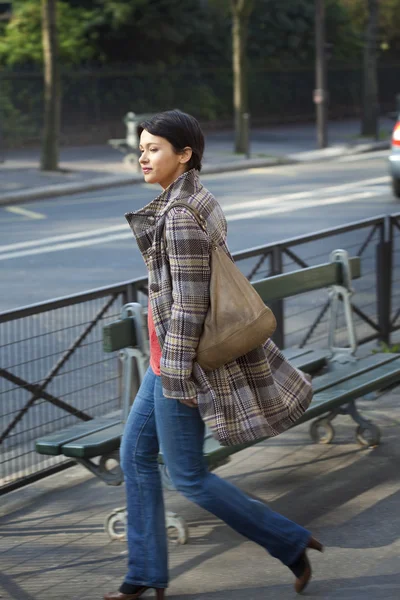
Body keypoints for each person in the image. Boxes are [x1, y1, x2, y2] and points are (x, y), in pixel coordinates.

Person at [104, 110, 323, 600]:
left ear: (185, 154)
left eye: (154, 148)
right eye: (140, 148)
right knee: (135, 457)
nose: (143, 156)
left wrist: (177, 377)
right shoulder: (193, 198)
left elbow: (190, 305)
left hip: (176, 367)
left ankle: (289, 541)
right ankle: (144, 576)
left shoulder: (179, 214)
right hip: (165, 364)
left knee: (188, 476)